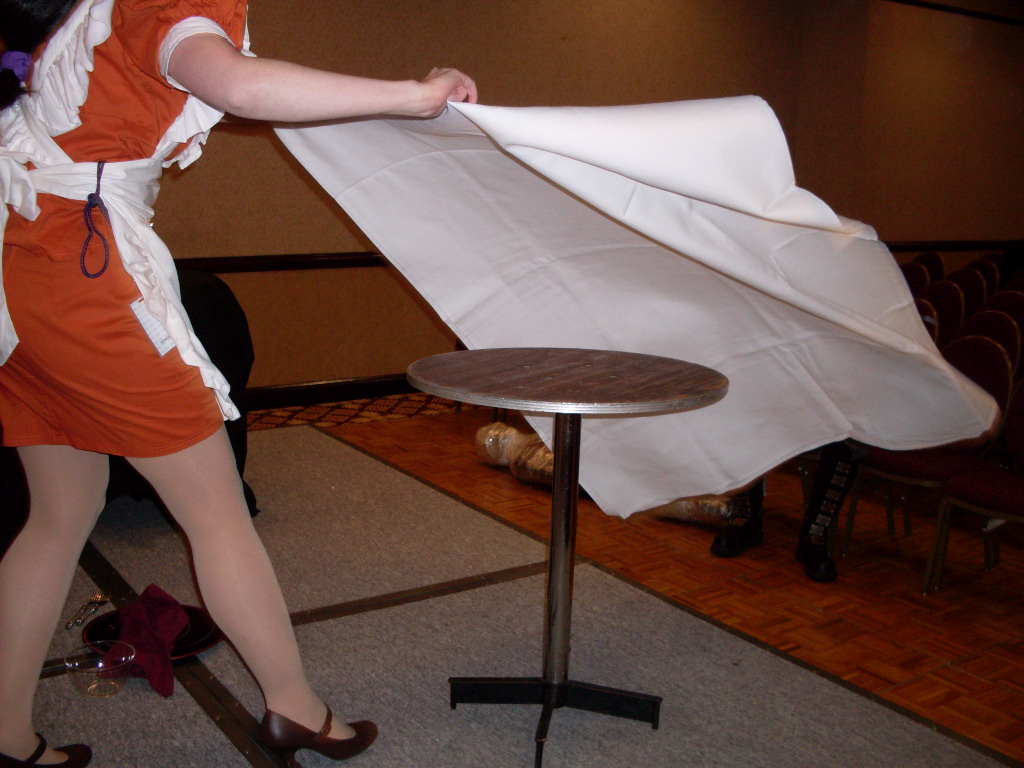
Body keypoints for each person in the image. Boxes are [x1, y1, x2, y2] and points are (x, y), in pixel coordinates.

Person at [0, 1, 476, 766]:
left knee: (59, 516)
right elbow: (240, 87)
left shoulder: (79, 17)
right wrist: (412, 95)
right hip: (84, 267)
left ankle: (6, 737)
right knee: (216, 513)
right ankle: (296, 710)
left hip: (21, 263)